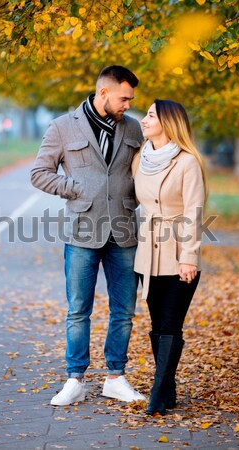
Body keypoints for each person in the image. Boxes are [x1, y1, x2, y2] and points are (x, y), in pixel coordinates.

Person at [31, 65, 145, 406]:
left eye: (131, 99)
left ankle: (115, 377)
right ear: (104, 93)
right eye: (124, 98)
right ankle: (75, 379)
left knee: (124, 310)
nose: (128, 104)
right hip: (81, 231)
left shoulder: (134, 128)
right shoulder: (62, 127)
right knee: (78, 309)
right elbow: (40, 173)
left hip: (124, 230)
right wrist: (76, 189)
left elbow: (142, 172)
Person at [132, 99, 208, 415]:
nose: (145, 120)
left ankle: (157, 392)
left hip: (178, 253)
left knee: (170, 324)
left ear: (168, 121)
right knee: (156, 324)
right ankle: (169, 389)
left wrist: (189, 257)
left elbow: (194, 212)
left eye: (150, 115)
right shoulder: (140, 158)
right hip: (147, 253)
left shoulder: (187, 162)